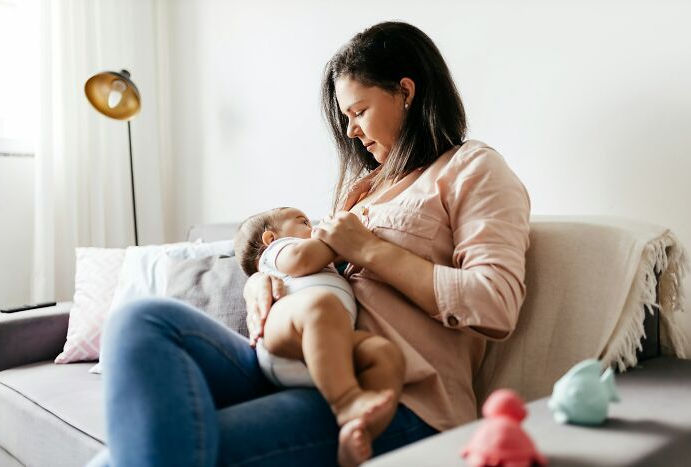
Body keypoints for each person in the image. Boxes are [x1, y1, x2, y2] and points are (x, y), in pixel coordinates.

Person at [87, 20, 530, 467]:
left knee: (127, 458)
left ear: (406, 92)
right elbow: (310, 267)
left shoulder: (472, 168)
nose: (351, 130)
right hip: (302, 364)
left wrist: (372, 251)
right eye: (346, 118)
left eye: (358, 111)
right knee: (140, 320)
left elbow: (495, 302)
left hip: (396, 397)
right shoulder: (363, 189)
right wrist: (264, 279)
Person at [233, 206, 406, 466]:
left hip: (327, 354)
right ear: (270, 238)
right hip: (286, 333)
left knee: (382, 353)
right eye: (302, 221)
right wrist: (342, 241)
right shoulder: (277, 253)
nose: (312, 227)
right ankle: (347, 401)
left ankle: (358, 432)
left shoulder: (324, 264)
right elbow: (302, 259)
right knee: (320, 305)